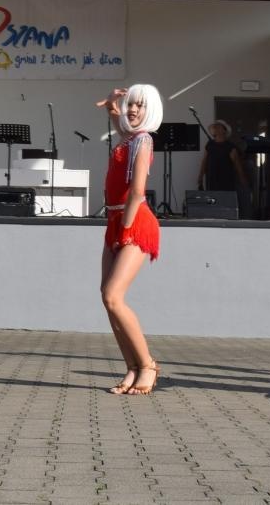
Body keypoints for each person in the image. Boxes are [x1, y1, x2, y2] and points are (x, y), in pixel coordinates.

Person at [97, 84, 163, 395]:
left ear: (151, 109)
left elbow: (138, 190)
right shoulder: (129, 137)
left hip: (133, 220)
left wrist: (124, 224)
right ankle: (132, 367)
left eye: (140, 105)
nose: (133, 110)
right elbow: (118, 119)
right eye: (131, 105)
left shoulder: (144, 141)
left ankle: (148, 365)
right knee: (107, 298)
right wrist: (113, 103)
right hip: (115, 220)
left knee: (113, 296)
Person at [197, 120, 249, 217]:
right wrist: (200, 176)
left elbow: (238, 166)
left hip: (226, 181)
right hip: (211, 180)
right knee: (212, 205)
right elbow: (204, 161)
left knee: (225, 206)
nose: (216, 128)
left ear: (224, 131)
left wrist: (243, 181)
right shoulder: (210, 145)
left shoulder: (230, 147)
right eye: (215, 126)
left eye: (218, 126)